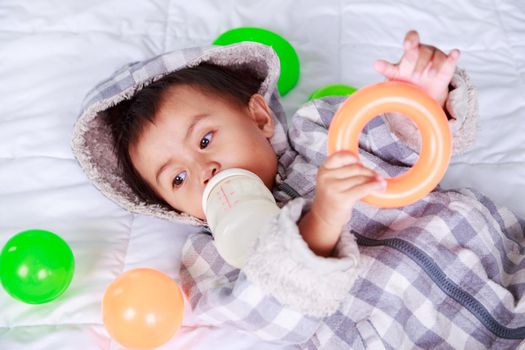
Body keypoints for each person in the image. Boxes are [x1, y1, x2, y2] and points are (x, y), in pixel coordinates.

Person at [71, 31, 525, 349]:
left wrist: (420, 101)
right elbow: (271, 312)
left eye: (205, 140)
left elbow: (403, 140)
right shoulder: (215, 255)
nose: (204, 170)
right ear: (167, 206)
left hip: (498, 258)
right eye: (177, 179)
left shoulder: (321, 130)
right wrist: (321, 218)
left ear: (260, 117)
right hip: (413, 333)